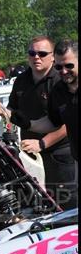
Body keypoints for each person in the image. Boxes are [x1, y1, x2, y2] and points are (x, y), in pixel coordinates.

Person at [0, 36, 75, 209]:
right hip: (31, 154)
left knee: (67, 203)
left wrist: (42, 143)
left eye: (42, 53)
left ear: (52, 56)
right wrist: (3, 112)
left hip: (61, 155)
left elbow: (69, 123)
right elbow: (16, 111)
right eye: (32, 53)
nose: (36, 57)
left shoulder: (61, 80)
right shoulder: (22, 80)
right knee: (41, 203)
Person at [47, 39, 78, 179]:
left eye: (69, 65)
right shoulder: (58, 91)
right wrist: (17, 118)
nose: (64, 71)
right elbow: (54, 121)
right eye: (58, 67)